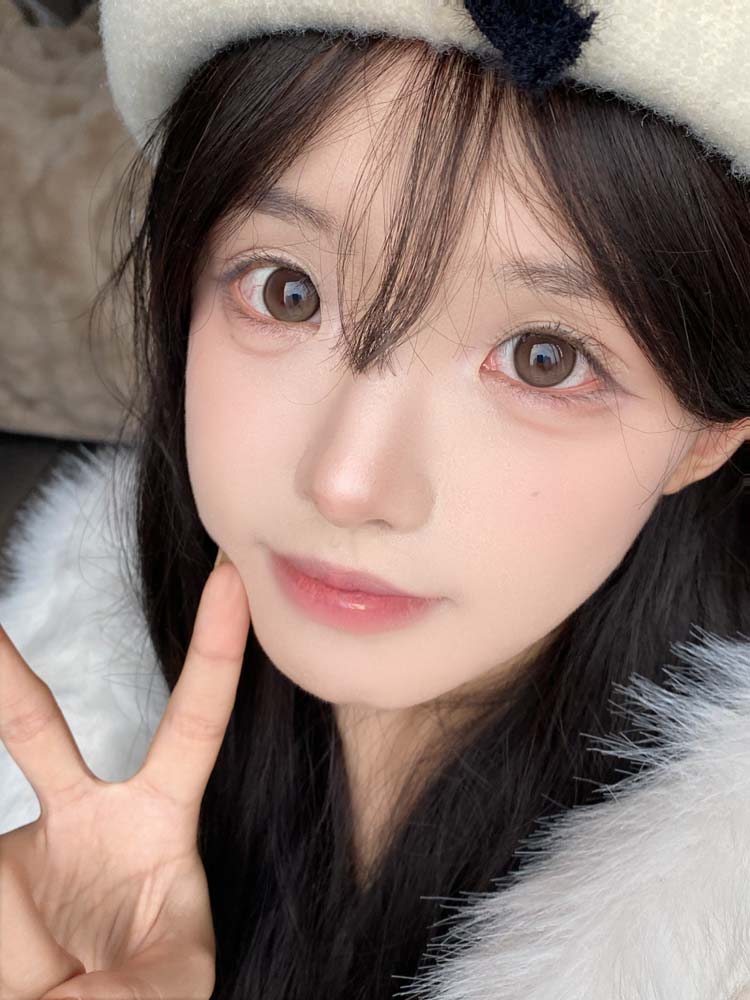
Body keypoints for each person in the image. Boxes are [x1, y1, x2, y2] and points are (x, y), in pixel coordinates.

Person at [1, 2, 750, 998]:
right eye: (287, 292)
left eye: (545, 358)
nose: (348, 484)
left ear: (706, 435)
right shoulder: (51, 748)